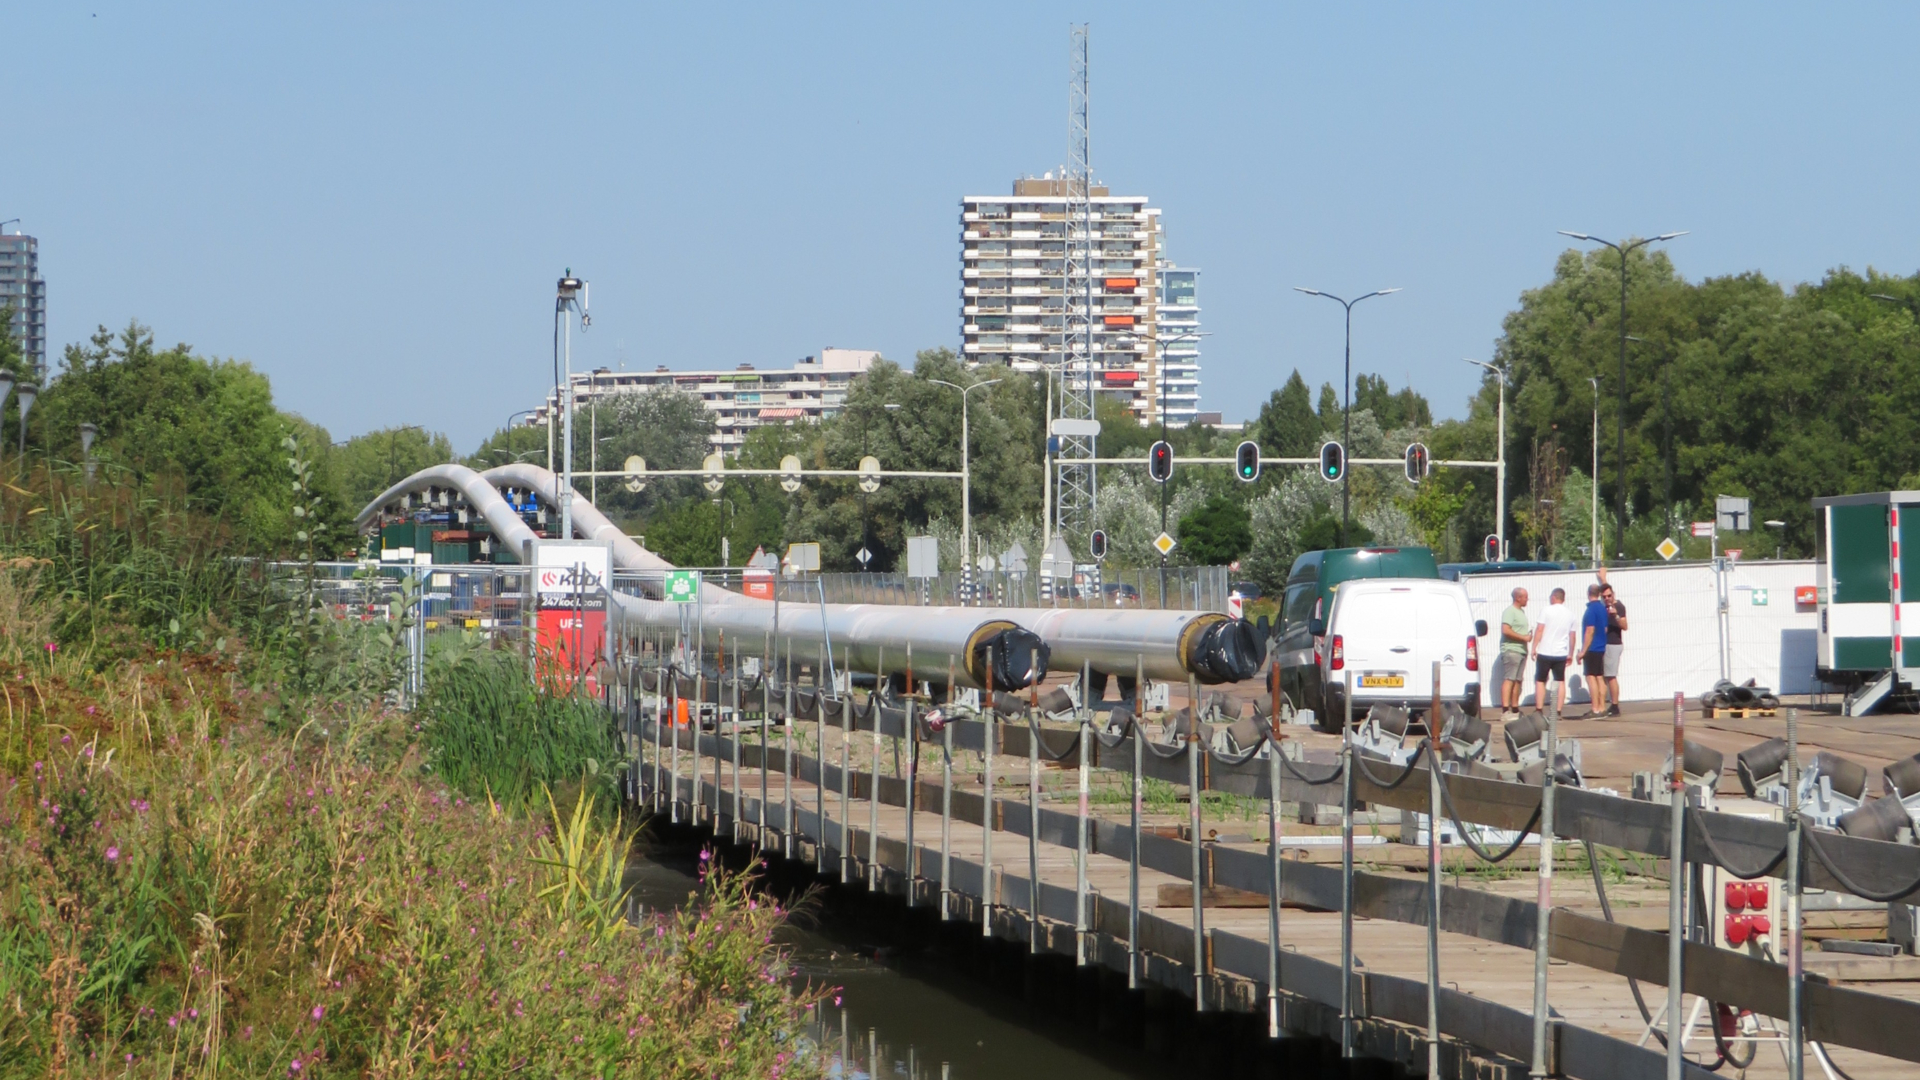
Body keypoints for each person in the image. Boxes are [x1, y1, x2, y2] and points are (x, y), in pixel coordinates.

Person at [1531, 587, 1575, 714]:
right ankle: (1558, 711)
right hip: (1560, 653)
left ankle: (1539, 709)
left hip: (1545, 651)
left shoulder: (1546, 610)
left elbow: (1540, 629)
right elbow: (1572, 636)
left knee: (1540, 680)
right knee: (1560, 681)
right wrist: (1570, 653)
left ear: (1553, 597)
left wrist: (1534, 647)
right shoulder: (1570, 614)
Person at [1575, 582, 1611, 718]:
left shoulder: (1590, 610)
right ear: (1599, 594)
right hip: (1601, 647)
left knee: (1591, 677)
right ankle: (1602, 707)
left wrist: (1583, 651)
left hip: (1592, 648)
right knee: (1600, 677)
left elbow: (1590, 630)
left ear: (1588, 594)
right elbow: (1605, 629)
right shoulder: (1602, 609)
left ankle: (1595, 709)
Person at [1598, 568, 1627, 718]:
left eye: (1609, 596)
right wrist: (1603, 578)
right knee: (1605, 675)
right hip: (1606, 644)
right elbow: (1605, 588)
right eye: (1604, 597)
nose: (1607, 598)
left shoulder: (1619, 607)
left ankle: (1615, 706)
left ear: (1613, 595)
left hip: (1614, 644)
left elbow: (1625, 626)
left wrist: (1615, 615)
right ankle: (1605, 704)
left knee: (1611, 676)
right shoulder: (1605, 606)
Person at [1499, 587, 1531, 720]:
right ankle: (1505, 710)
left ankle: (1515, 708)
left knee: (1518, 680)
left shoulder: (1521, 612)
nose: (1527, 599)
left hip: (1522, 650)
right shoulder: (1509, 612)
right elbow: (1505, 630)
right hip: (1512, 650)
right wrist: (1523, 638)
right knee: (1510, 679)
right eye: (1525, 597)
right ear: (1518, 598)